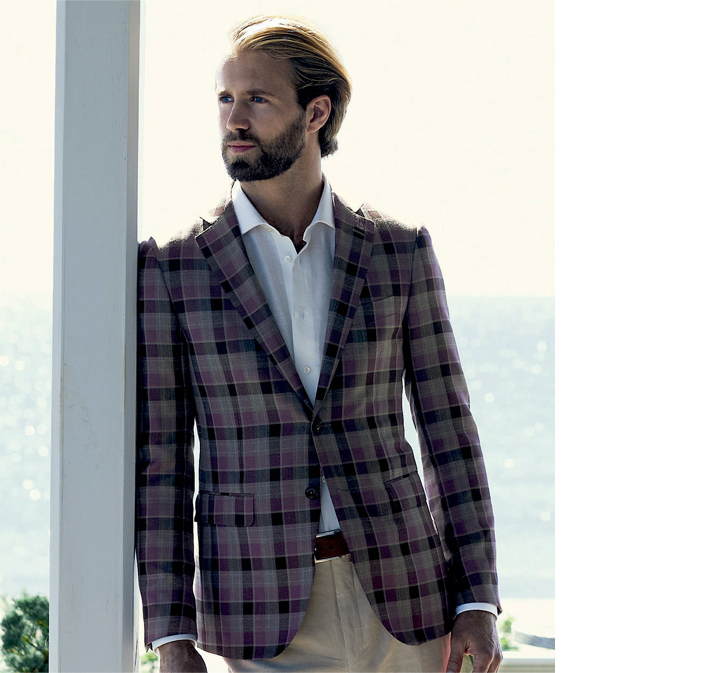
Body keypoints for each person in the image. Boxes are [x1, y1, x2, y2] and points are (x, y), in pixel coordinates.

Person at [137, 14, 502, 673]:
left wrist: (476, 597)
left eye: (257, 98)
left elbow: (449, 431)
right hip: (260, 611)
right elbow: (163, 458)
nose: (233, 119)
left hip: (406, 598)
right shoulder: (172, 266)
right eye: (225, 98)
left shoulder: (398, 251)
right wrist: (171, 636)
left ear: (316, 112)